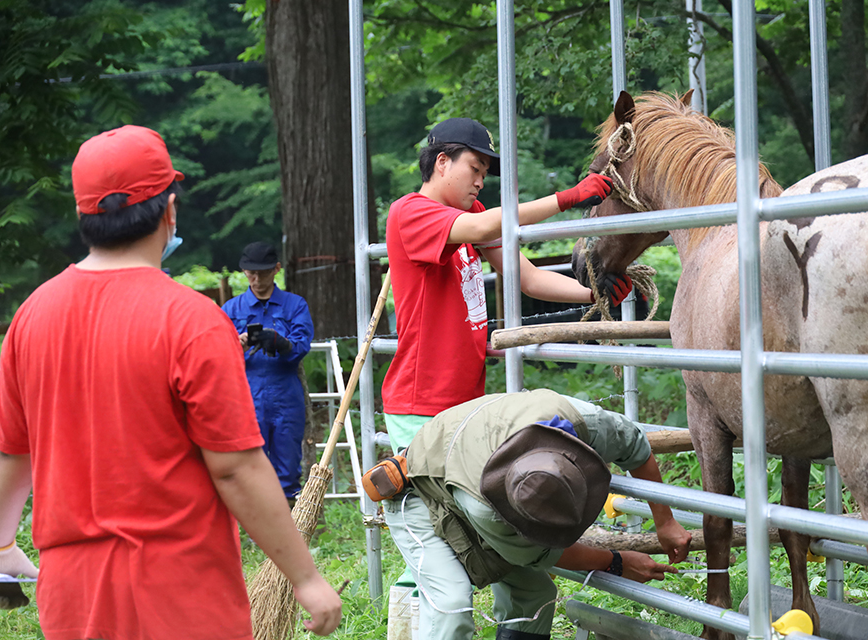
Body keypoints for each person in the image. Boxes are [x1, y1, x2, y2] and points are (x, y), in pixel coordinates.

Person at [0, 125, 341, 638]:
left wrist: (1, 544)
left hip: (71, 592)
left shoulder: (32, 316)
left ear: (81, 215)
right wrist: (305, 577)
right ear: (169, 211)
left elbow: (12, 454)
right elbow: (235, 469)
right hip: (179, 586)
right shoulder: (192, 320)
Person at [382, 117, 634, 630]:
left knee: (497, 542)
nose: (480, 181)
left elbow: (526, 275)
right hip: (419, 404)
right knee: (438, 552)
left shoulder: (471, 212)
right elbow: (482, 228)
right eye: (475, 168)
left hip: (467, 405)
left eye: (486, 173)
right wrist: (569, 199)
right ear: (442, 160)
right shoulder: (412, 213)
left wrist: (596, 296)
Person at [382, 388, 692, 640]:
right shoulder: (486, 507)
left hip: (461, 472)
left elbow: (635, 445)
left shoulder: (579, 422)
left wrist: (665, 521)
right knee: (451, 604)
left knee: (535, 594)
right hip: (419, 494)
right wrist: (617, 562)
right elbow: (543, 555)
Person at [221, 242, 315, 501]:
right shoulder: (230, 310)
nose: (257, 279)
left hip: (286, 394)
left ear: (276, 269)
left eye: (263, 272)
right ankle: (255, 530)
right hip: (247, 396)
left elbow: (301, 346)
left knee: (288, 465)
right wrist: (234, 345)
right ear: (243, 271)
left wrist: (280, 343)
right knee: (250, 463)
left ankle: (292, 524)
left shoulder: (295, 305)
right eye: (251, 272)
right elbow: (214, 356)